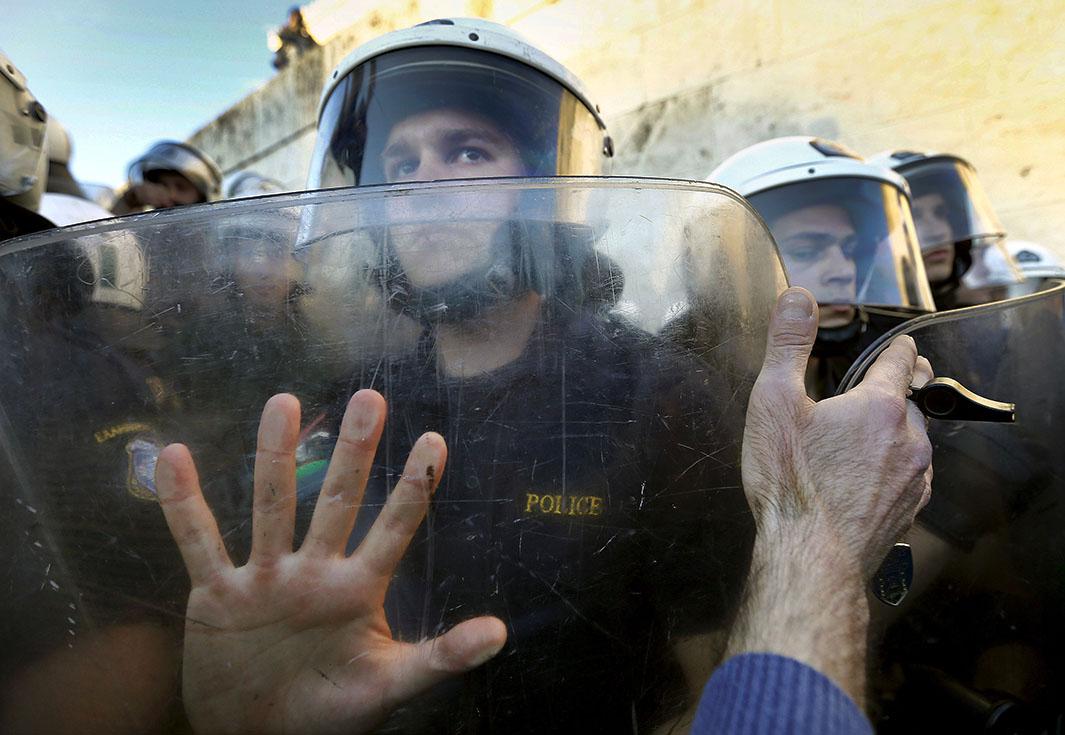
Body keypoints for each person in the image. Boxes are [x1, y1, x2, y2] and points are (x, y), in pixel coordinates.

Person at [152, 287, 934, 735]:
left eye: (467, 149)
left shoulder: (645, 387)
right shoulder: (365, 392)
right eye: (400, 155)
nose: (430, 183)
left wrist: (804, 532)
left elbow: (707, 681)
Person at [710, 136, 935, 398]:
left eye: (850, 250)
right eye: (806, 251)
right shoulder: (683, 393)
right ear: (731, 272)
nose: (844, 271)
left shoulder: (869, 367)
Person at [867, 150, 1022, 308]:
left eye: (941, 213)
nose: (937, 232)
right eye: (914, 219)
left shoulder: (978, 317)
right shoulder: (859, 327)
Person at [111, 140, 222, 214]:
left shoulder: (223, 235)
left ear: (201, 197)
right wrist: (130, 200)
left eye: (181, 187)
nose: (171, 194)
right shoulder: (147, 236)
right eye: (162, 185)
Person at [272, 6, 317, 71]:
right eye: (295, 17)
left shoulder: (303, 33)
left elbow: (313, 44)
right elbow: (281, 44)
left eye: (298, 17)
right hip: (289, 57)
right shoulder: (285, 32)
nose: (297, 19)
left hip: (303, 57)